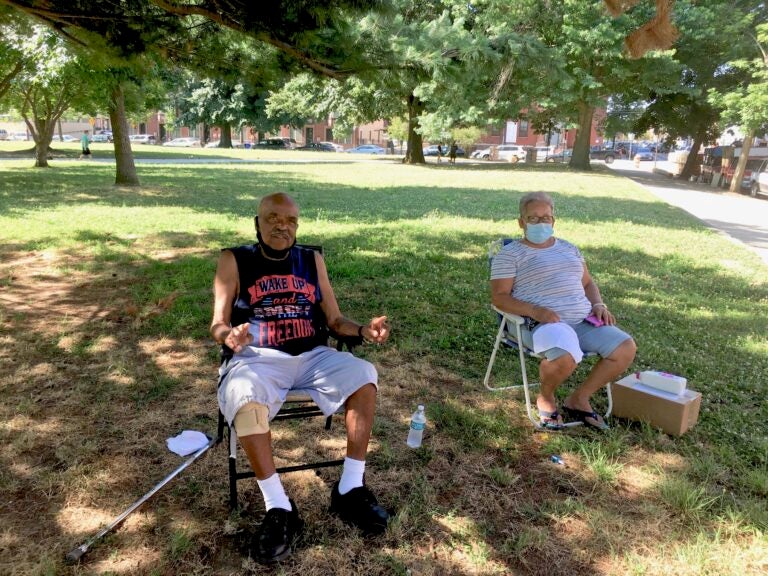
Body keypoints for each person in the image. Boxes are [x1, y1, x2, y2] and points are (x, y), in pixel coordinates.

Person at [211, 193, 391, 563]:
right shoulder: (235, 259)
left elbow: (335, 321)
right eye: (273, 218)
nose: (282, 226)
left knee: (363, 375)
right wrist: (228, 336)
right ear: (257, 222)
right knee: (244, 393)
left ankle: (349, 488)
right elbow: (218, 321)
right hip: (259, 359)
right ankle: (280, 508)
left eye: (291, 220)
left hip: (311, 355)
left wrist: (362, 331)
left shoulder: (311, 259)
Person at [490, 191, 636, 430]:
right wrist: (535, 310)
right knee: (564, 358)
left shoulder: (570, 249)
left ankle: (579, 398)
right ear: (521, 222)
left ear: (553, 221)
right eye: (532, 218)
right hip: (540, 324)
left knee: (625, 348)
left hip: (582, 321)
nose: (540, 223)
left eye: (545, 218)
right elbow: (499, 298)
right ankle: (546, 397)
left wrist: (598, 304)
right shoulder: (510, 254)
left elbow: (588, 283)